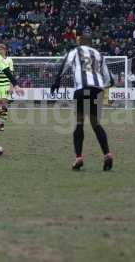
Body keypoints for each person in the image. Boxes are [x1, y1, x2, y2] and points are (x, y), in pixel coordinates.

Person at [50, 34, 114, 171]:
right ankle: (107, 154)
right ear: (91, 43)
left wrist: (56, 82)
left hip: (82, 89)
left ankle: (78, 157)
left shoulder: (75, 51)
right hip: (97, 90)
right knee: (96, 123)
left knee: (79, 122)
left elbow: (64, 65)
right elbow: (109, 78)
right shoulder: (98, 54)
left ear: (80, 42)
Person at [0, 43, 14, 131]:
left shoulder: (9, 60)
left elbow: (11, 74)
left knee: (4, 106)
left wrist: (11, 87)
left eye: (1, 49)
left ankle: (1, 123)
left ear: (5, 50)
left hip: (5, 85)